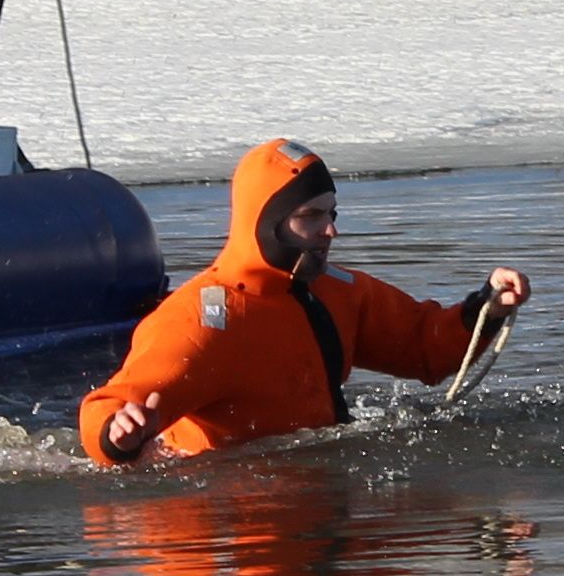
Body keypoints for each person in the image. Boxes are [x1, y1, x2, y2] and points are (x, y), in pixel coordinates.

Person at [81, 141, 531, 466]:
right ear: (268, 222)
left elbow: (424, 346)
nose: (330, 230)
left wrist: (485, 309)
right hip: (230, 506)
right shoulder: (205, 318)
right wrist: (117, 436)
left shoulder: (337, 290)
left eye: (331, 214)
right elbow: (109, 405)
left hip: (319, 490)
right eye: (310, 216)